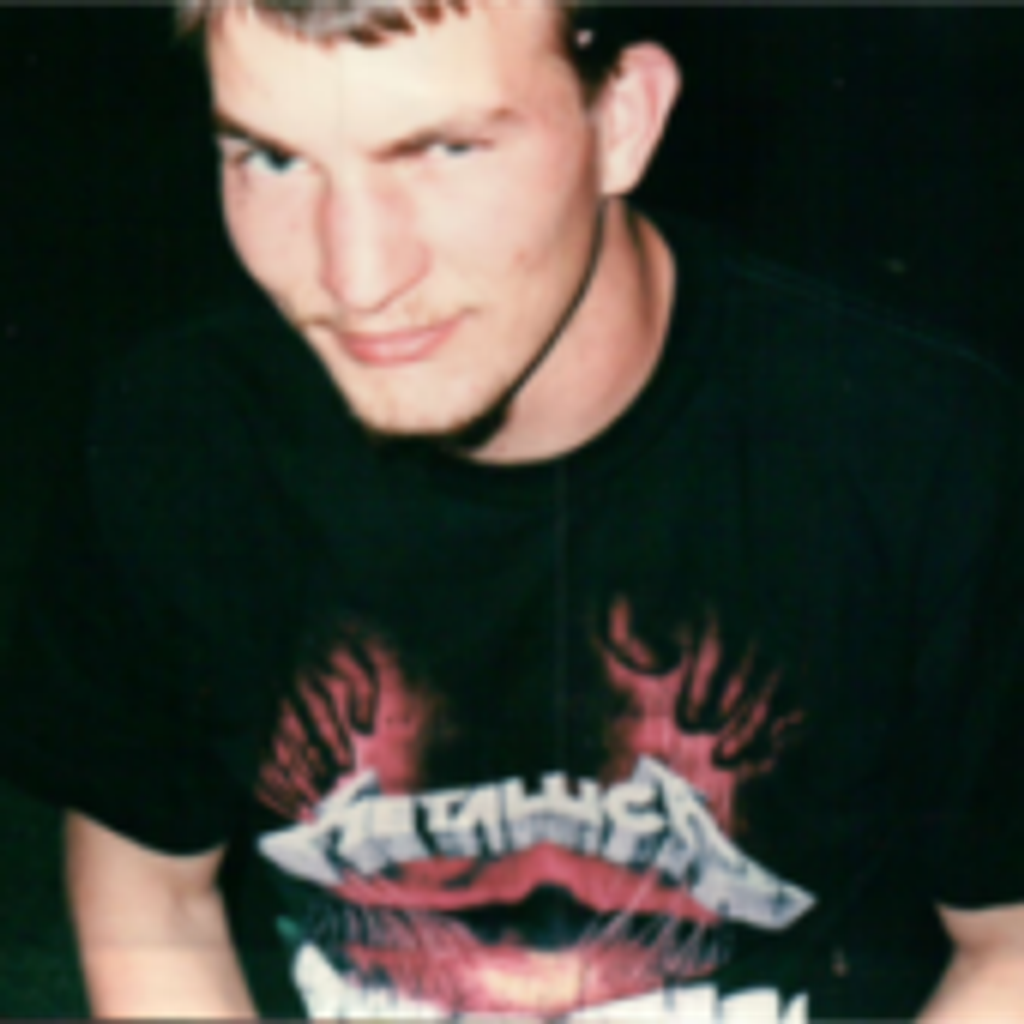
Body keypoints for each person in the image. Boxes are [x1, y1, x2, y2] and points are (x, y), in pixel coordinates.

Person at [2, 0, 1024, 1019]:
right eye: (273, 159)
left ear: (621, 119)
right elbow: (151, 886)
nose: (357, 277)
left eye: (445, 151)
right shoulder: (180, 439)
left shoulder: (923, 457)